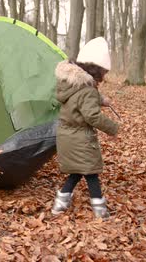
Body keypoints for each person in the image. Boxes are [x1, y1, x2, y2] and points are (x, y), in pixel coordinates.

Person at [51, 37, 119, 219]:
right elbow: (92, 115)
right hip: (81, 137)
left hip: (67, 135)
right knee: (91, 173)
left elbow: (80, 99)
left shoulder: (73, 83)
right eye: (103, 72)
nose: (104, 77)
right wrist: (113, 128)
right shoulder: (87, 90)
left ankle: (59, 205)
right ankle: (101, 211)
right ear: (96, 70)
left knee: (77, 172)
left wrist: (101, 99)